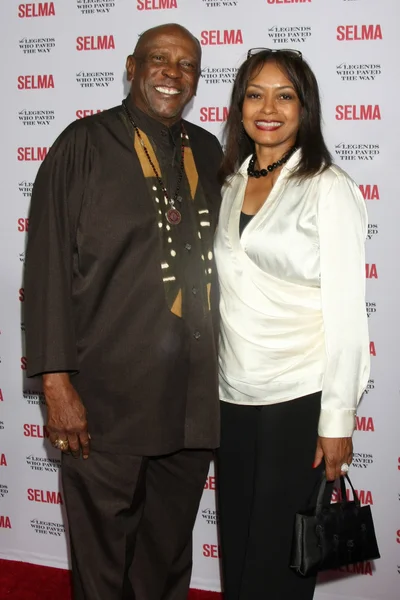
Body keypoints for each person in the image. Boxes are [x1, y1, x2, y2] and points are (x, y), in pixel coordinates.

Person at [24, 23, 223, 600]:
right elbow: (46, 271)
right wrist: (57, 386)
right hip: (105, 402)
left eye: (186, 64)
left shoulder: (209, 151)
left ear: (196, 81)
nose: (171, 72)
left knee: (165, 558)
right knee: (105, 564)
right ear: (131, 67)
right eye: (158, 59)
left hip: (191, 402)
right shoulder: (81, 146)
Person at [214, 48, 370, 600]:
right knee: (240, 545)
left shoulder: (327, 186)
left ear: (306, 109)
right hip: (232, 396)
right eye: (255, 94)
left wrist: (338, 418)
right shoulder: (228, 183)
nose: (269, 107)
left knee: (280, 562)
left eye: (286, 95)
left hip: (300, 396)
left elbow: (349, 313)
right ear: (238, 108)